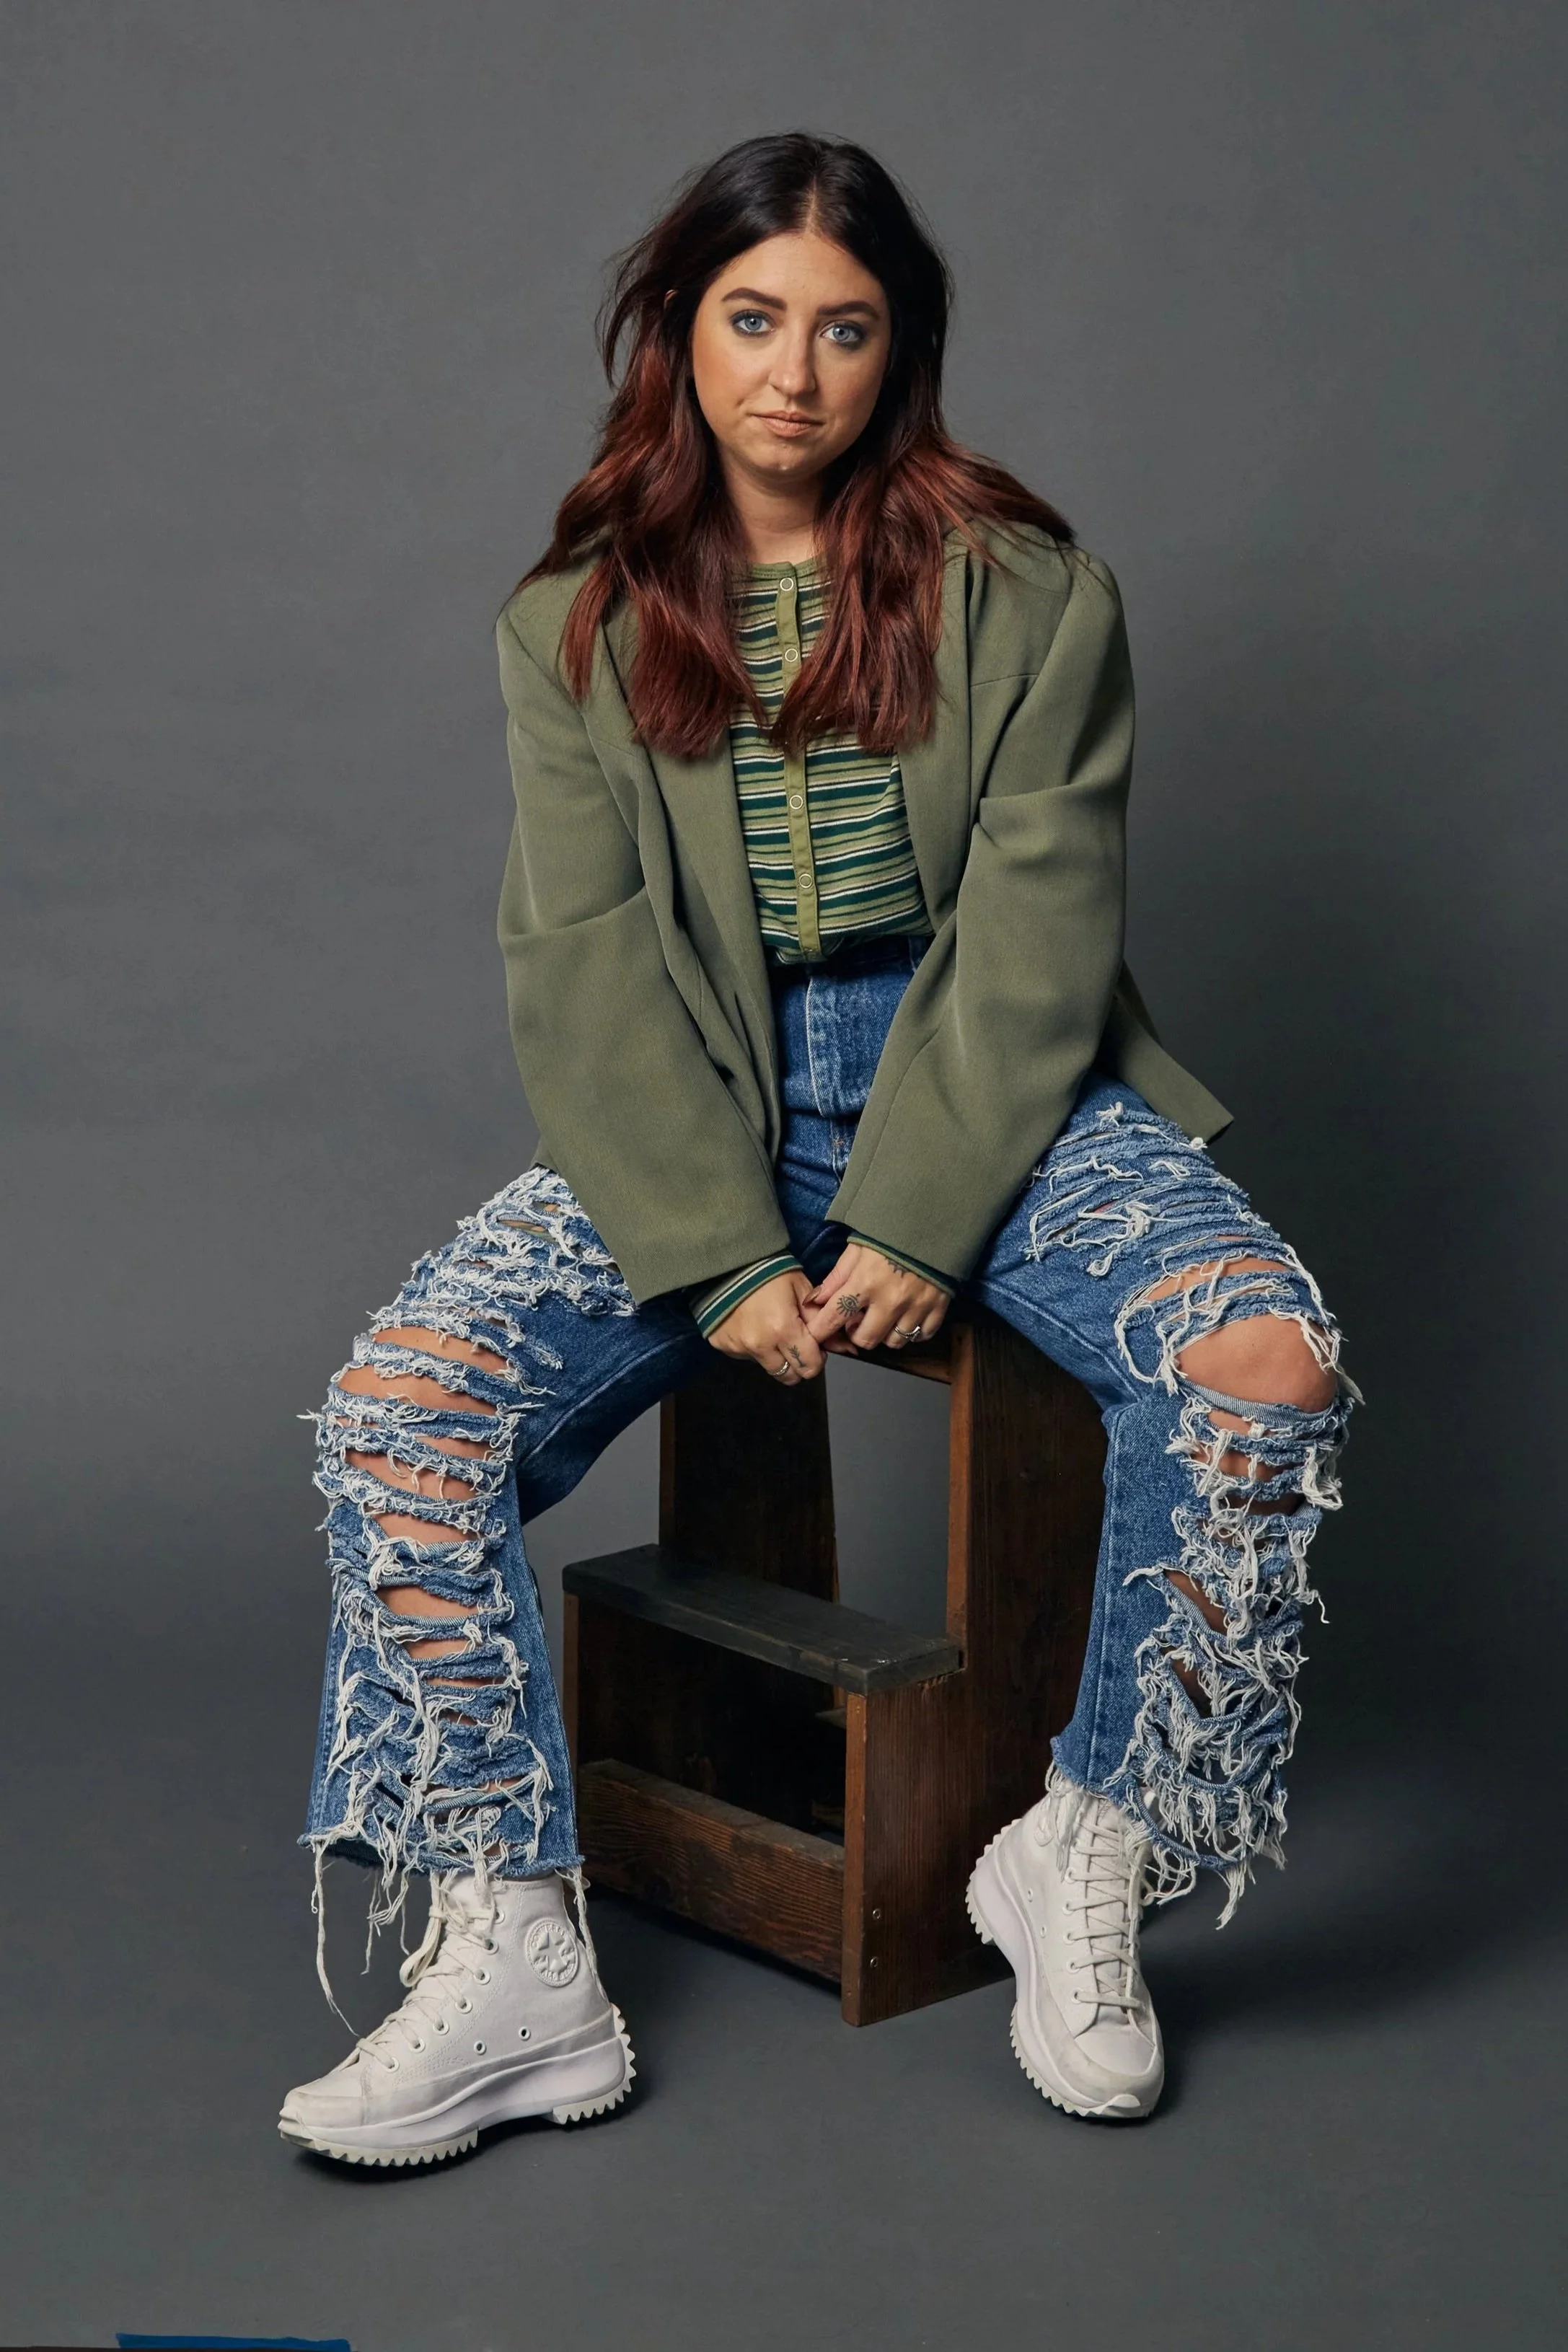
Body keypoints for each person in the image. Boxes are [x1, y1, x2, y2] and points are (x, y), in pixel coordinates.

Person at [278, 131, 1353, 2167]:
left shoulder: (1033, 595)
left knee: (1260, 1360)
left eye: (842, 329)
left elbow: (1039, 941)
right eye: (750, 320)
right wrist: (718, 1248)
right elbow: (583, 975)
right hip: (695, 1103)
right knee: (398, 1417)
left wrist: (923, 1209)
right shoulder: (574, 626)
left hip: (997, 1096)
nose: (792, 373)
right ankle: (518, 1952)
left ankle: (1085, 1847)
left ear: (899, 352)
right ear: (678, 338)